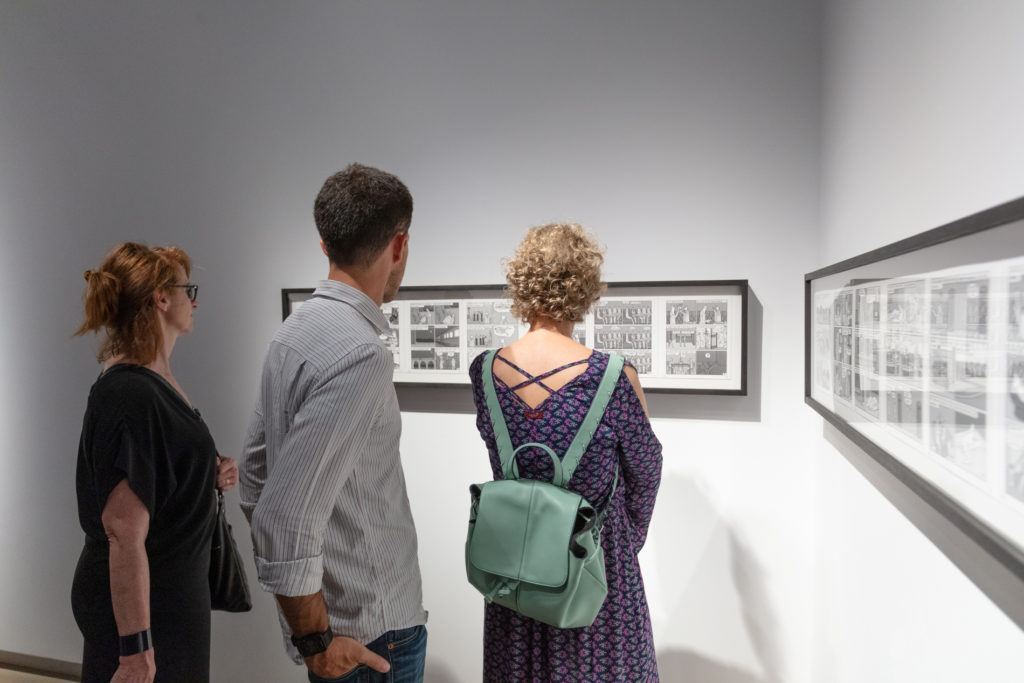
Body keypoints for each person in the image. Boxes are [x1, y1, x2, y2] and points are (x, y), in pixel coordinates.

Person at [240, 164, 427, 683]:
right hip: (372, 633)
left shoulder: (295, 331)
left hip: (351, 625)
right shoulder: (361, 354)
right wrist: (317, 642)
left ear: (325, 244)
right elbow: (281, 515)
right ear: (399, 245)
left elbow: (255, 480)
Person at [469, 223, 663, 682]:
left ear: (522, 283)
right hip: (592, 569)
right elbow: (646, 472)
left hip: (514, 571)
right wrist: (622, 541)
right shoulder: (612, 377)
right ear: (584, 287)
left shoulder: (485, 373)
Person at [72, 242, 238, 683]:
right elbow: (123, 530)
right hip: (148, 612)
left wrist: (207, 475)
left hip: (172, 599)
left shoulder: (155, 379)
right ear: (162, 298)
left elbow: (158, 473)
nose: (195, 301)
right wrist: (135, 652)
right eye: (189, 289)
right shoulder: (128, 392)